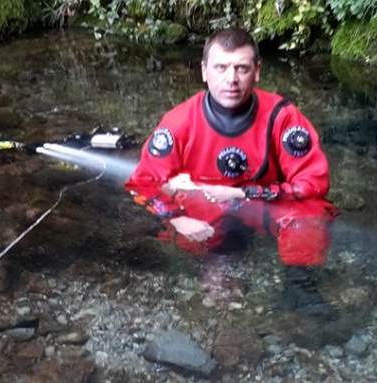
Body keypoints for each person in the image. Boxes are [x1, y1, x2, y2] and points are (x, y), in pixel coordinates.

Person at [125, 27, 339, 318]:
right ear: (204, 71)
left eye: (242, 68)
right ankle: (216, 270)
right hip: (206, 207)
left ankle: (300, 287)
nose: (231, 79)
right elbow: (141, 184)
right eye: (221, 67)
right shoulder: (179, 122)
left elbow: (313, 184)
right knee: (211, 269)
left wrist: (244, 192)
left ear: (257, 71)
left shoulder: (282, 116)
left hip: (262, 203)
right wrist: (178, 219)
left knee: (311, 213)